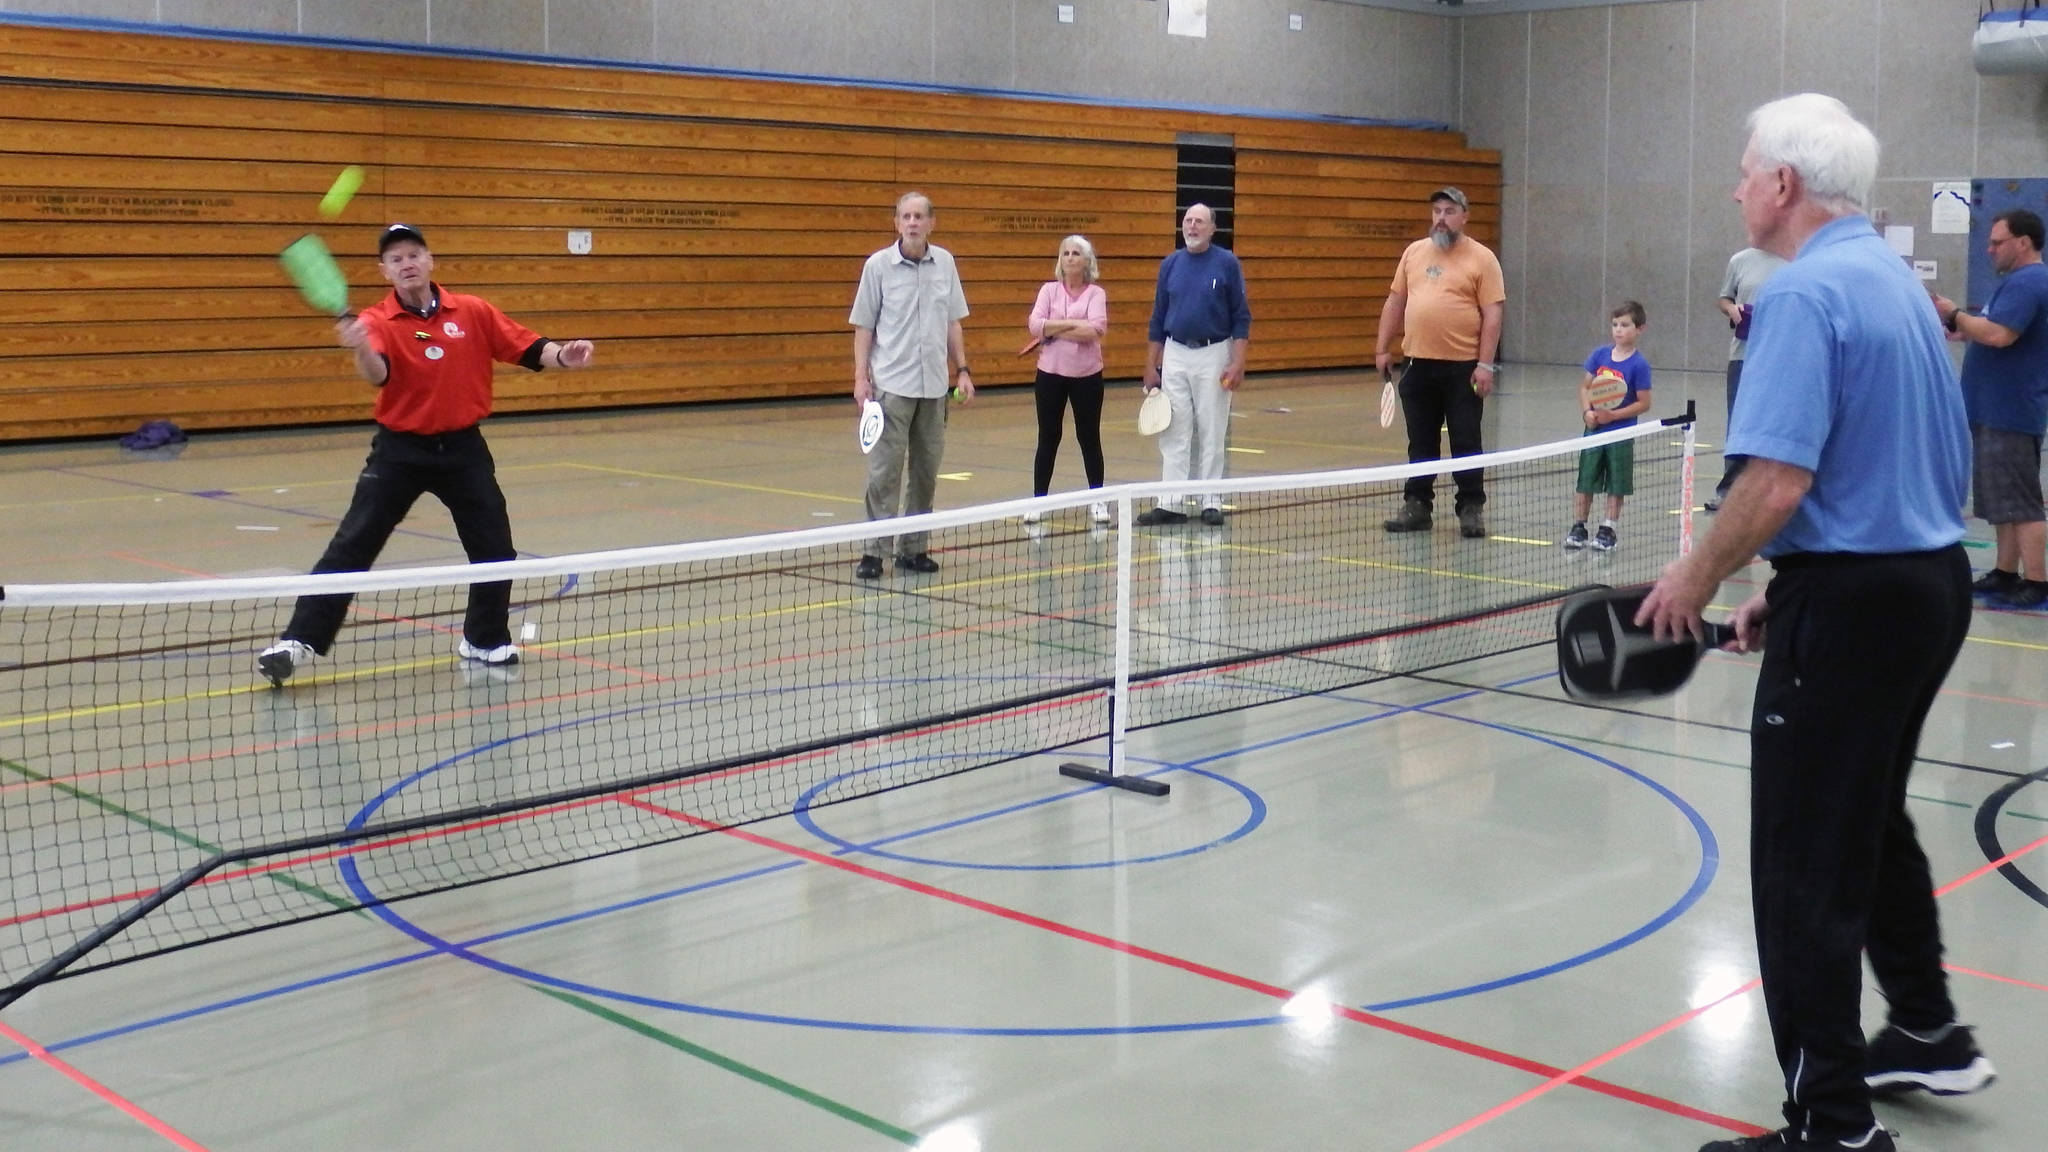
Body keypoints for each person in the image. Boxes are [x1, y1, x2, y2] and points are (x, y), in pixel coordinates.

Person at [1637, 94, 1994, 1152]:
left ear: (1782, 185)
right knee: (1866, 821)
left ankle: (1830, 1127)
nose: (1736, 187)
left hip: (1855, 606)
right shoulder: (1893, 280)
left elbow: (1773, 482)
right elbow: (1898, 459)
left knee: (1801, 866)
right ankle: (1925, 1030)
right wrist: (1783, 592)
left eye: (1743, 171)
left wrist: (1696, 574)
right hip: (1924, 583)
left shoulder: (1798, 298)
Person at [258, 224, 596, 686]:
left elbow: (529, 347)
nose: (407, 263)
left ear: (430, 260)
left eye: (414, 254)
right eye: (396, 259)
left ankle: (483, 638)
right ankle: (296, 643)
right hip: (401, 451)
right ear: (385, 271)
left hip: (463, 448)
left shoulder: (472, 311)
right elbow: (378, 375)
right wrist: (359, 348)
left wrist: (566, 356)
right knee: (353, 545)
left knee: (495, 547)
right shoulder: (377, 321)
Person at [850, 191, 973, 579]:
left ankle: (913, 549)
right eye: (906, 216)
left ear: (932, 223)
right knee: (884, 473)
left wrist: (963, 369)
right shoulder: (878, 267)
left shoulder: (946, 264)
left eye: (920, 216)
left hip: (935, 390)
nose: (913, 222)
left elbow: (953, 322)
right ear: (897, 222)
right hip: (891, 387)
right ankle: (874, 552)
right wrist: (860, 378)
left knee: (924, 473)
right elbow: (863, 327)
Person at [1931, 208, 2048, 609]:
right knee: (2002, 500)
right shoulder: (2015, 283)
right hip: (1994, 409)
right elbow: (1990, 329)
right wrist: (1961, 326)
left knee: (2022, 500)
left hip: (2010, 410)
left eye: (1998, 242)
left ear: (2023, 242)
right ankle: (2005, 571)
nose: (1990, 249)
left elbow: (1999, 334)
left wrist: (1954, 313)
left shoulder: (2029, 282)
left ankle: (2037, 579)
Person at [1376, 187, 1505, 539]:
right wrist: (1382, 348)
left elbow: (1493, 315)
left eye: (1449, 211)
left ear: (1465, 215)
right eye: (1436, 211)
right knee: (1421, 442)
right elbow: (1395, 301)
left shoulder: (1482, 259)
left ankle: (1471, 507)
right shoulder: (1414, 253)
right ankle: (1417, 505)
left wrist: (1485, 365)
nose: (1441, 218)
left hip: (1463, 368)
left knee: (1466, 440)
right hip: (1418, 365)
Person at [1136, 203, 1250, 527]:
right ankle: (1170, 502)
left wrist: (1238, 362)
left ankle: (1210, 501)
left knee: (1213, 428)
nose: (1192, 226)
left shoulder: (1227, 264)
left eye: (1199, 221)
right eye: (1188, 220)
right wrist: (1151, 365)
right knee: (1173, 430)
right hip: (1175, 353)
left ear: (1213, 229)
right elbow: (1158, 317)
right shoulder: (1170, 265)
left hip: (1215, 354)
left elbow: (1241, 317)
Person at [1024, 234, 1110, 526]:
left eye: (1076, 253)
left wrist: (1053, 329)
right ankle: (1038, 501)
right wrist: (1071, 326)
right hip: (1050, 374)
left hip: (1087, 376)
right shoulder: (1048, 291)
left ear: (1087, 261)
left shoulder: (1096, 294)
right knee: (1048, 437)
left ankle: (1097, 500)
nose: (1070, 257)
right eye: (1065, 253)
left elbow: (1096, 329)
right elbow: (1035, 325)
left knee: (1089, 437)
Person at [1564, 301, 1652, 552]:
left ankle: (1608, 528)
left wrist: (1614, 416)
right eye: (1615, 325)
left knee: (1616, 482)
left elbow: (1644, 403)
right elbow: (1585, 387)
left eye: (1625, 325)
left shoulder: (1639, 365)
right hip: (1594, 431)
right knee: (1586, 480)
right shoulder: (1600, 356)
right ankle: (1579, 526)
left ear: (1639, 329)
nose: (1618, 330)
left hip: (1621, 434)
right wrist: (1587, 412)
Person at [1708, 247, 1788, 511]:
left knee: (1776, 423)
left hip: (1779, 356)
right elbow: (1723, 298)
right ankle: (1728, 490)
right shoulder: (1740, 260)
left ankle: (1771, 489)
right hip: (1742, 356)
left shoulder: (1795, 258)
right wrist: (1731, 309)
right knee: (1738, 423)